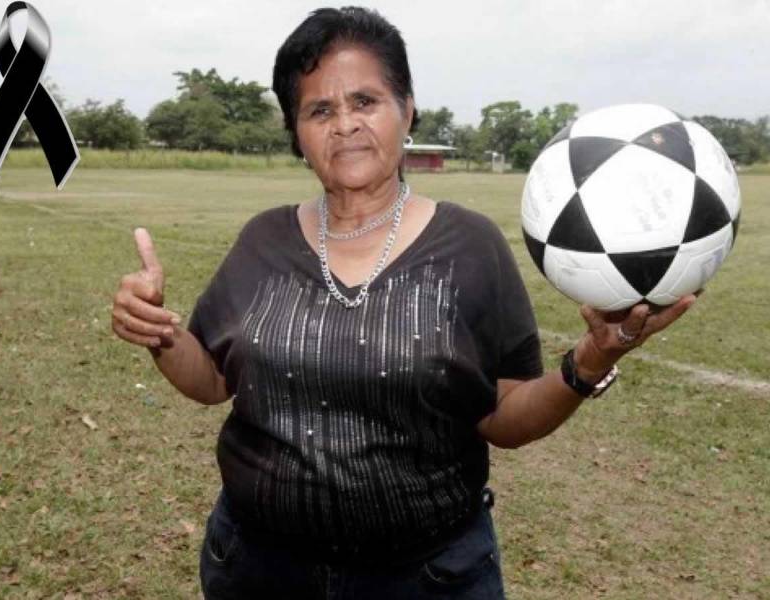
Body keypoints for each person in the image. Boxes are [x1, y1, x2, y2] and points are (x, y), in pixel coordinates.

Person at [110, 7, 696, 599]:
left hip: (425, 577)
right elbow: (211, 381)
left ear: (406, 110)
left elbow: (506, 417)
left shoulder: (470, 247)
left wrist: (589, 362)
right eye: (320, 109)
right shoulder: (264, 239)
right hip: (258, 569)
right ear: (296, 133)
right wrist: (160, 331)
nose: (344, 125)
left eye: (365, 101)